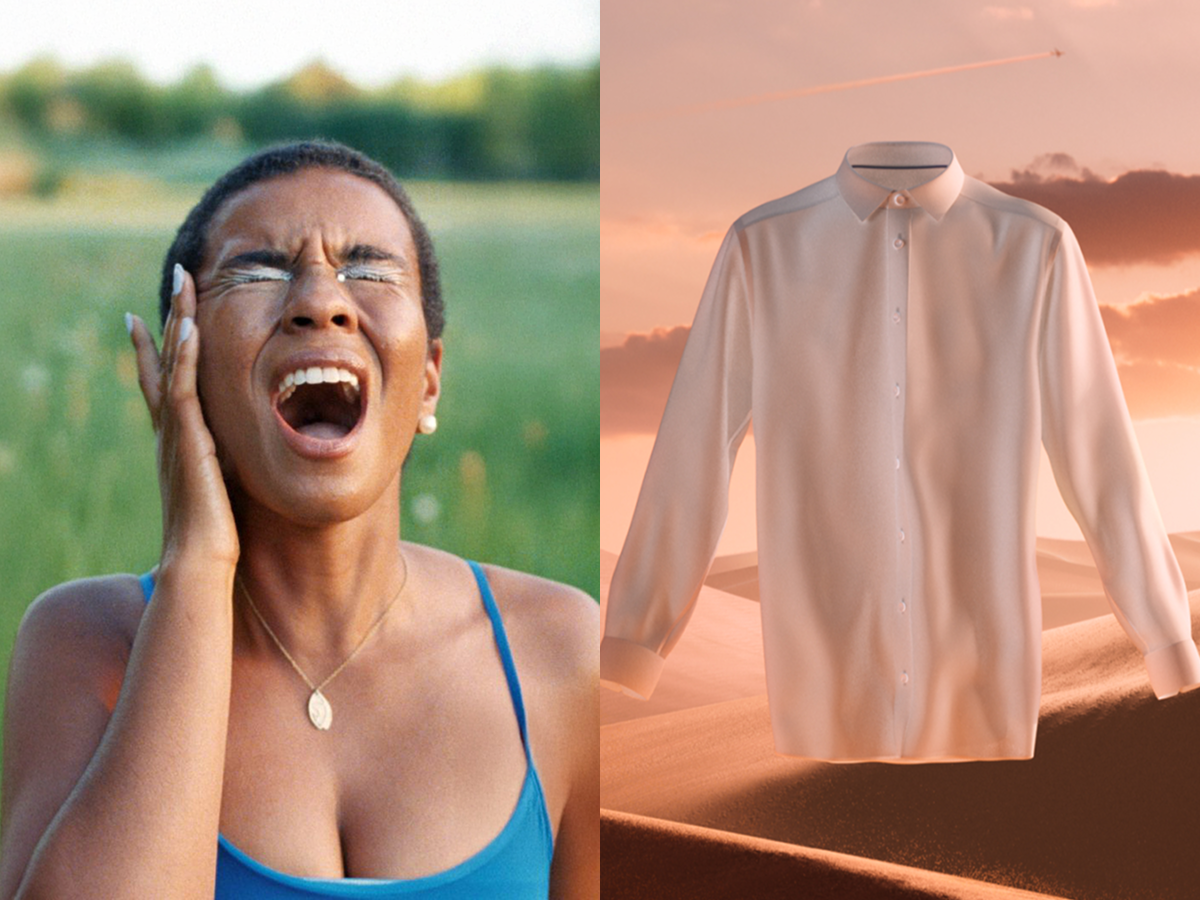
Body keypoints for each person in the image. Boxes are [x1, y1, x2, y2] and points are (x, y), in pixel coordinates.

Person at [0, 141, 599, 899]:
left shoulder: (562, 649)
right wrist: (196, 568)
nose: (321, 300)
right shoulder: (86, 642)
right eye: (259, 271)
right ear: (186, 368)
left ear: (429, 381)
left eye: (369, 270)